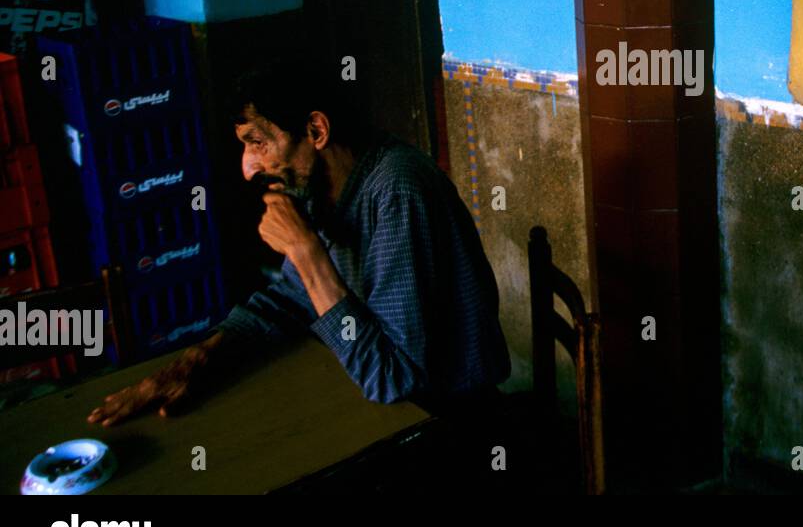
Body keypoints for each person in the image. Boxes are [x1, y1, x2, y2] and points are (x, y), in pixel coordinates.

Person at [87, 61, 511, 425]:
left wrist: (308, 254)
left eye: (258, 142)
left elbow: (394, 377)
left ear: (316, 130)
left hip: (448, 419)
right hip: (392, 408)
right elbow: (291, 299)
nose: (248, 167)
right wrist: (196, 360)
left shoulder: (398, 190)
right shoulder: (321, 189)